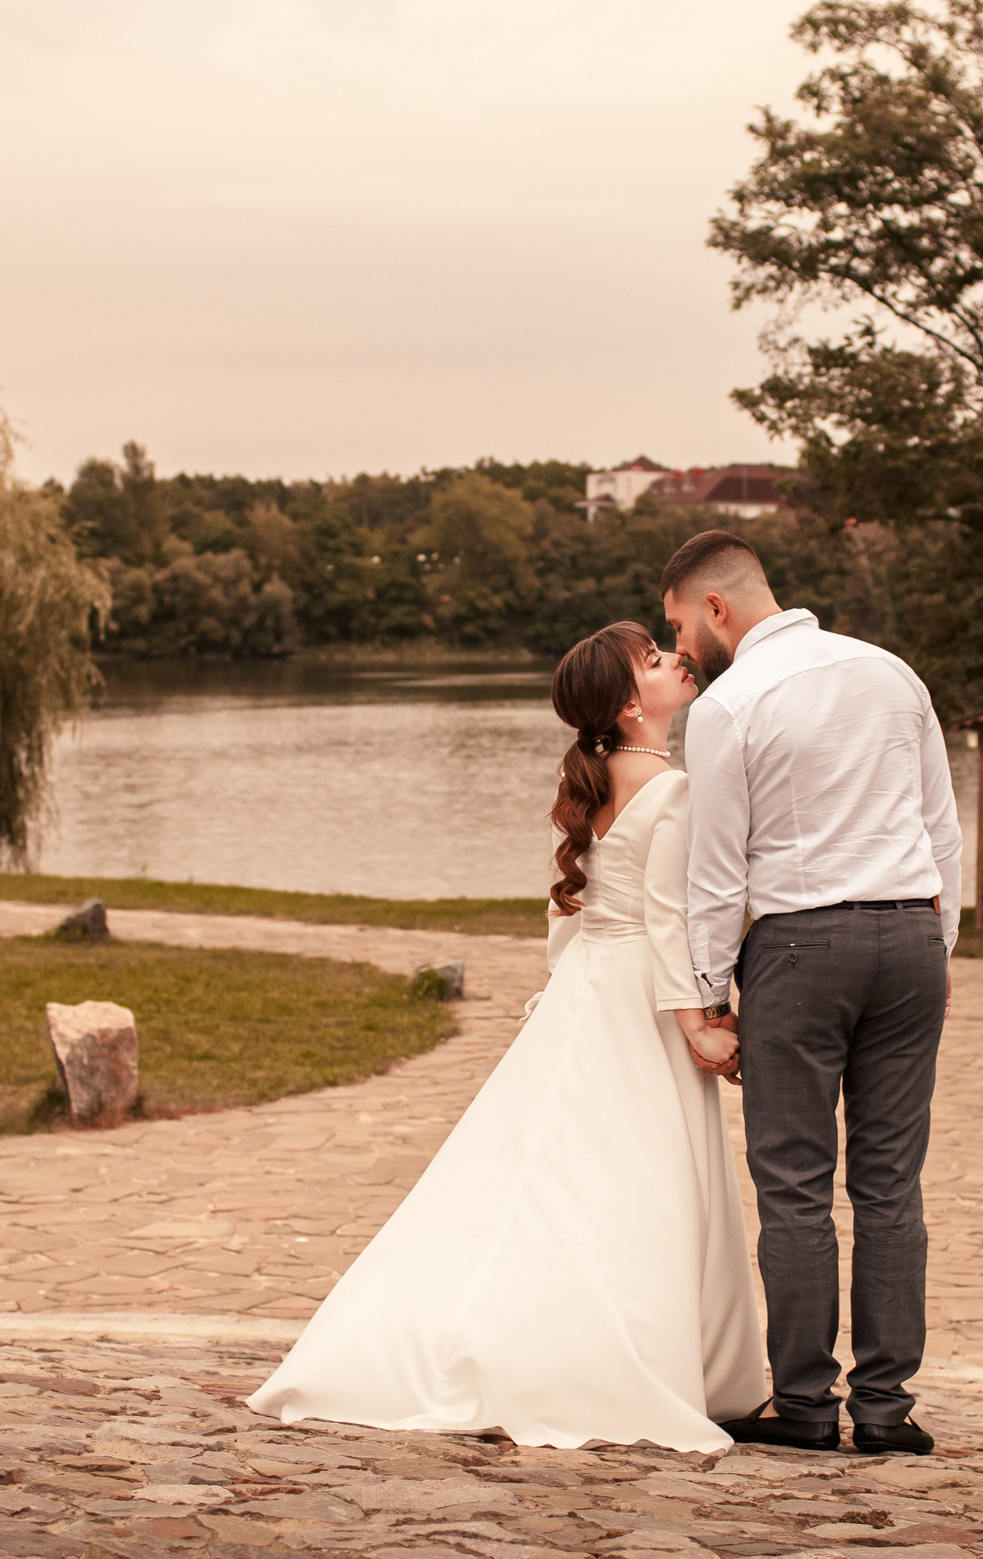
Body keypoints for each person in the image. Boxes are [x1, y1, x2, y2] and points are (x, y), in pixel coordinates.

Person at [243, 621, 765, 1451]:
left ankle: (514, 1332)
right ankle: (628, 1358)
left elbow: (571, 912)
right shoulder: (671, 788)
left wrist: (564, 994)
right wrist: (698, 1025)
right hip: (639, 1000)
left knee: (554, 1170)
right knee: (640, 1175)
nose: (679, 660)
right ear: (634, 703)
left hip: (588, 988)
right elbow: (669, 923)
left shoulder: (592, 779)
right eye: (657, 659)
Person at [660, 530, 962, 1457]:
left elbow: (718, 867)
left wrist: (711, 992)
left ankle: (802, 1404)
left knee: (792, 1182)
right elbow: (942, 827)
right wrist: (935, 945)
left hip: (800, 943)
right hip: (912, 935)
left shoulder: (731, 702)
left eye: (679, 624)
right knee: (889, 1181)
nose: (681, 648)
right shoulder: (891, 672)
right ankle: (885, 1409)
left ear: (717, 607)